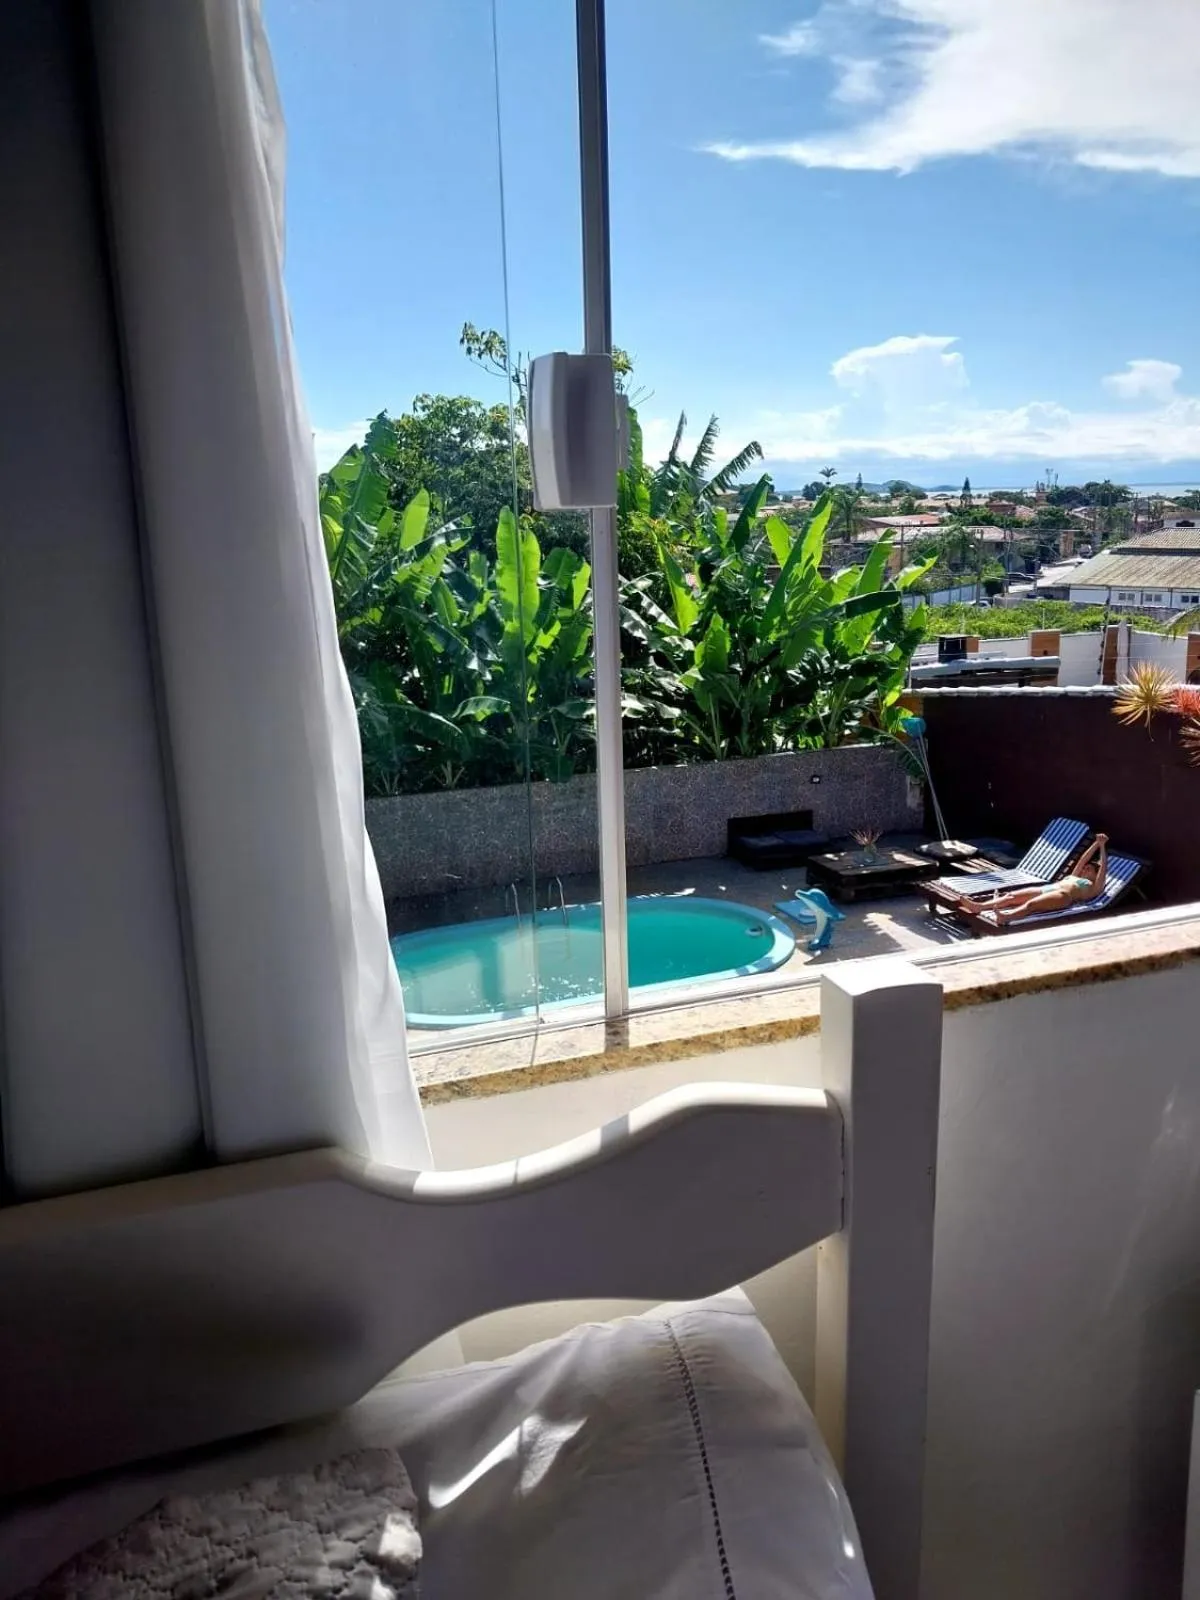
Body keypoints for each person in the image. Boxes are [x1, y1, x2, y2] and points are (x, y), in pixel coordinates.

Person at [948, 833, 1108, 926]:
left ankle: (1006, 917)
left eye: (1090, 868)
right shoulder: (1075, 875)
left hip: (1063, 896)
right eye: (1086, 867)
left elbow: (1103, 868)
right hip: (1048, 888)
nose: (1086, 868)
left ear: (1096, 873)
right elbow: (1083, 859)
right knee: (1010, 896)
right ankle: (979, 906)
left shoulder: (1093, 886)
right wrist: (1095, 843)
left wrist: (1102, 846)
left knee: (1031, 905)